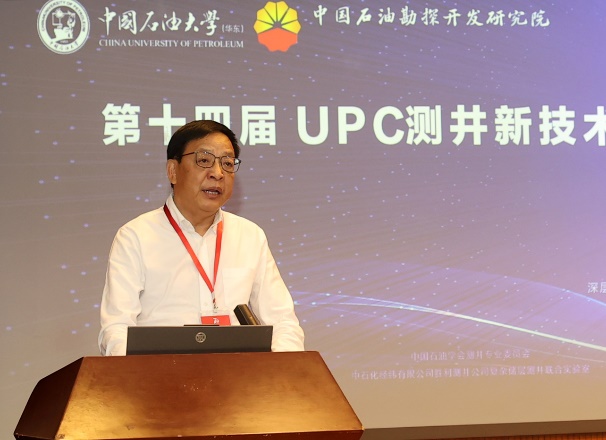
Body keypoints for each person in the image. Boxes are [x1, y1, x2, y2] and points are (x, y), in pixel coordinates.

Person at [98, 120, 305, 356]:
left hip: (236, 375)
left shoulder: (250, 236)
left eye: (227, 163)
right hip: (161, 374)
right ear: (172, 171)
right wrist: (139, 374)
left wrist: (280, 370)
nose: (218, 174)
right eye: (204, 160)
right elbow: (116, 328)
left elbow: (283, 323)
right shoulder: (135, 237)